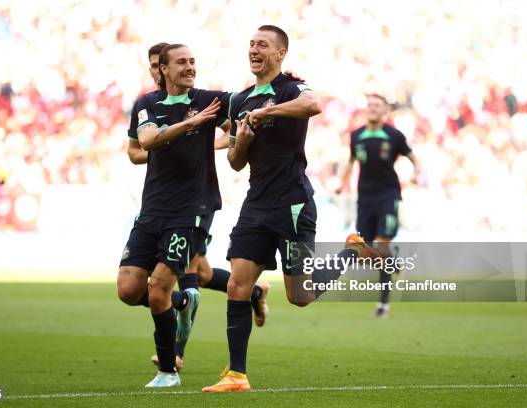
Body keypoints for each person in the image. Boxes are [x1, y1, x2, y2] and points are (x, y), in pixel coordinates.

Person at [202, 25, 382, 393]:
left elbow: (313, 105)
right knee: (238, 286)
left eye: (262, 45)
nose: (254, 49)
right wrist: (242, 142)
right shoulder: (239, 100)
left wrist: (269, 114)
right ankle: (236, 375)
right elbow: (236, 161)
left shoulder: (291, 88)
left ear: (280, 53)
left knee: (300, 296)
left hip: (294, 205)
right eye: (251, 44)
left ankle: (351, 250)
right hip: (256, 205)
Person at [124, 43, 271, 374]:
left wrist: (211, 140)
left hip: (194, 206)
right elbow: (137, 150)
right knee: (200, 275)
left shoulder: (207, 100)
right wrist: (177, 140)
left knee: (183, 280)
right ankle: (254, 291)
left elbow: (244, 109)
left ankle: (174, 357)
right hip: (157, 205)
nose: (189, 67)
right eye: (181, 62)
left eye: (192, 61)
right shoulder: (147, 104)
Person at [336, 93, 420, 318]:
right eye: (370, 105)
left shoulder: (394, 136)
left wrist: (416, 175)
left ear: (385, 111)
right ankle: (393, 264)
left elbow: (414, 159)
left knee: (382, 245)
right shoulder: (356, 135)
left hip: (387, 195)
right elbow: (351, 161)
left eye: (377, 106)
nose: (372, 108)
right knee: (367, 252)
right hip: (365, 198)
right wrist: (341, 184)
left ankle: (383, 305)